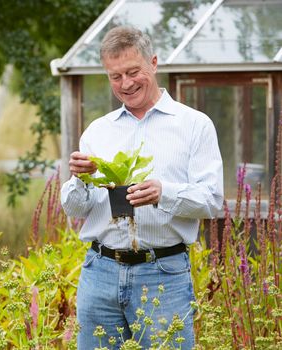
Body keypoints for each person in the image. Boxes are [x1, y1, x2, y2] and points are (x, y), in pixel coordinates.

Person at [60, 26, 223, 349]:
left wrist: (165, 193)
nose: (126, 84)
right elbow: (77, 209)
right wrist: (79, 179)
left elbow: (212, 200)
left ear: (154, 62)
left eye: (133, 72)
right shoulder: (99, 131)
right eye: (115, 76)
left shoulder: (194, 125)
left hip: (163, 272)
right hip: (99, 271)